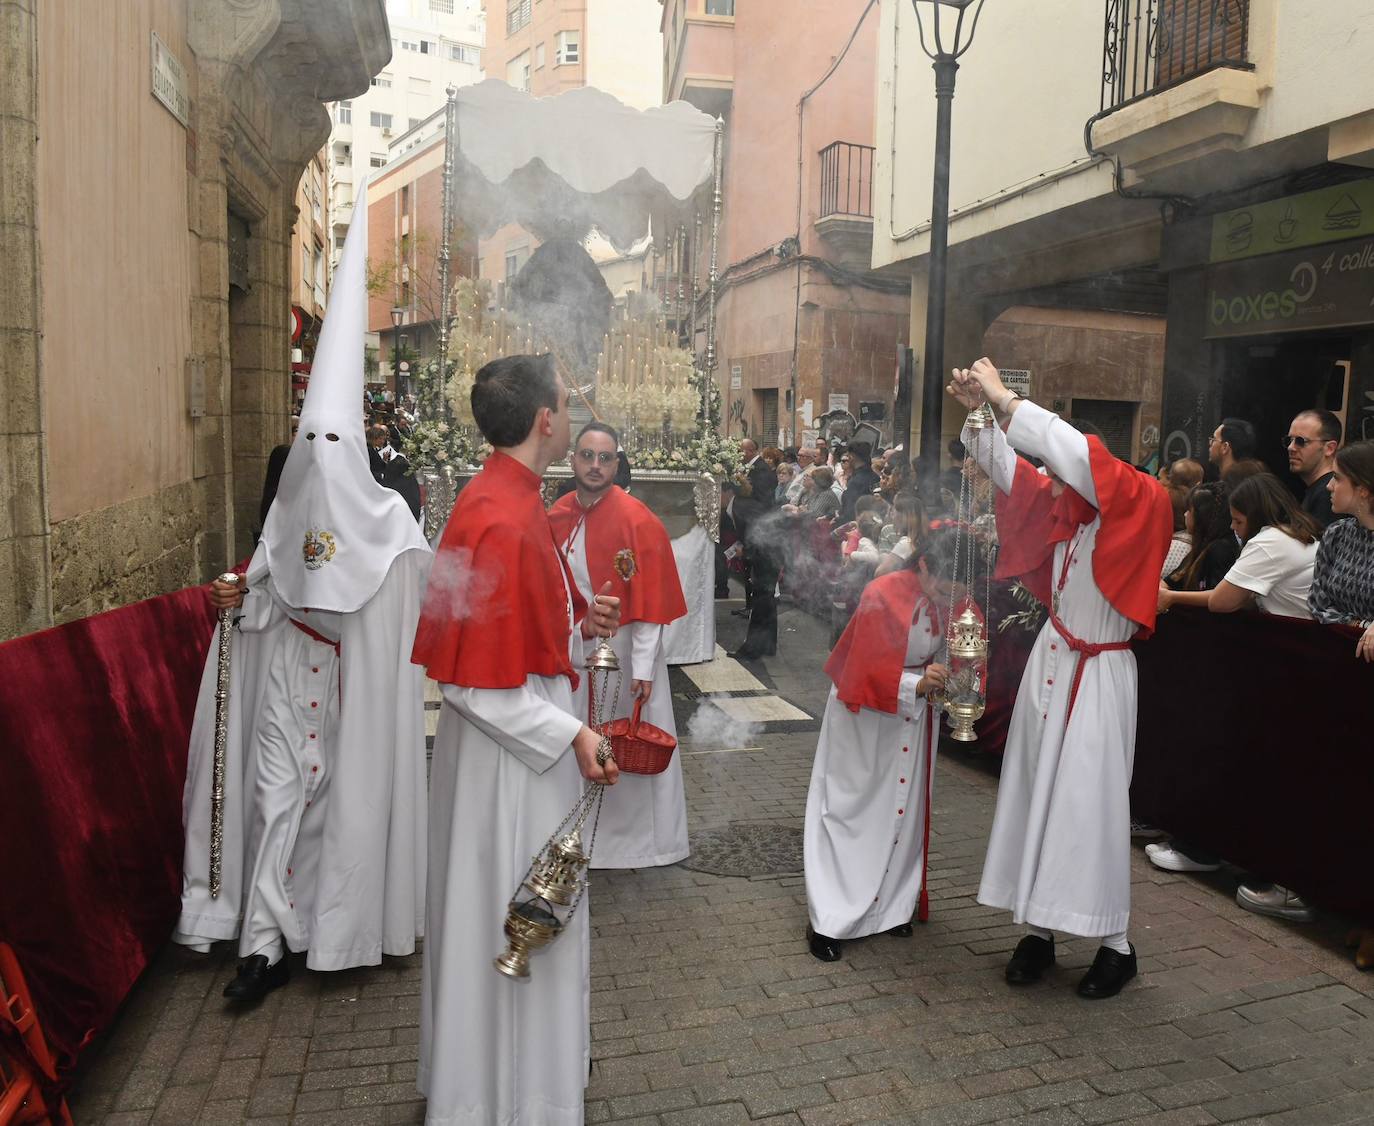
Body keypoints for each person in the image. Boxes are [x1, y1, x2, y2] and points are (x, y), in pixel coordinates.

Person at [174, 184, 431, 1002]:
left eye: (332, 441)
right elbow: (265, 575)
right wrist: (233, 598)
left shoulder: (392, 519)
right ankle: (260, 946)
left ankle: (330, 928)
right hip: (288, 672)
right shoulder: (288, 497)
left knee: (340, 814)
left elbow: (409, 606)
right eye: (308, 441)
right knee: (274, 797)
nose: (319, 454)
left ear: (353, 445)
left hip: (352, 679)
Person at [410, 354, 622, 1126]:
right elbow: (470, 686)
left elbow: (516, 637)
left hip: (517, 751)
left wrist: (571, 631)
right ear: (544, 420)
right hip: (511, 769)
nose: (572, 413)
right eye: (567, 403)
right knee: (522, 920)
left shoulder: (509, 498)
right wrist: (571, 732)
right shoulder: (498, 514)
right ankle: (510, 1103)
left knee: (524, 919)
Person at [949, 358, 1172, 1000]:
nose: (1049, 486)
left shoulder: (1140, 499)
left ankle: (1115, 943)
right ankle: (1040, 930)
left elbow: (1063, 453)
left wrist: (1008, 398)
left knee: (1090, 806)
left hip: (1099, 673)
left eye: (1064, 472)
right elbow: (1013, 473)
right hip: (1055, 663)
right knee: (1034, 795)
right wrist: (982, 412)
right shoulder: (1071, 513)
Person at [803, 527, 966, 962]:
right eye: (944, 586)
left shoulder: (952, 594)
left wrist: (955, 674)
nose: (949, 598)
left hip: (913, 718)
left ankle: (890, 909)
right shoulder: (883, 592)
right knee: (851, 812)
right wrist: (916, 681)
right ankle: (829, 918)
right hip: (866, 716)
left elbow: (957, 647)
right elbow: (860, 668)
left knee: (904, 813)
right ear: (925, 564)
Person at [548, 422, 690, 870]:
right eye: (586, 455)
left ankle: (636, 845)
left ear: (616, 463)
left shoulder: (637, 520)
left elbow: (650, 608)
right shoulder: (558, 513)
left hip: (627, 654)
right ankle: (579, 836)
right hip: (576, 647)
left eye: (604, 457)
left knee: (627, 745)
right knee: (580, 740)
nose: (594, 465)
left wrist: (644, 670)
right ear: (572, 459)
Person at [1158, 473, 1319, 621]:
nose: (1232, 526)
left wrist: (1172, 597)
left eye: (1238, 521)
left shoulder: (1268, 542)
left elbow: (1220, 602)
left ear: (1256, 516)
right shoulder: (1294, 534)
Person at [1309, 440, 1374, 658]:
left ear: (1363, 489)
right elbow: (1318, 602)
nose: (1329, 485)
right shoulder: (1336, 533)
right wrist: (1363, 626)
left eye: (1337, 478)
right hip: (1339, 658)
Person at [720, 479, 781, 659]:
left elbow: (759, 533)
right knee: (766, 600)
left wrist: (745, 551)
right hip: (771, 553)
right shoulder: (740, 505)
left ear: (728, 492)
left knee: (761, 600)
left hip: (768, 554)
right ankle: (767, 645)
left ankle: (752, 649)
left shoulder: (740, 507)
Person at [1164, 482, 1238, 591]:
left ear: (1201, 517)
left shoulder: (1220, 549)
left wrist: (1172, 597)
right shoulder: (1201, 547)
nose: (1185, 514)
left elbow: (1214, 596)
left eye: (1189, 510)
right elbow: (1172, 580)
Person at [1285, 409, 1341, 530]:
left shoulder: (1329, 494)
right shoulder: (1317, 489)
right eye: (1289, 440)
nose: (1291, 447)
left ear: (1329, 448)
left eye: (1301, 441)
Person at [368, 422, 422, 520]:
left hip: (386, 473)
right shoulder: (369, 450)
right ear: (374, 438)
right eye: (381, 439)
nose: (382, 441)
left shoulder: (381, 448)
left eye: (383, 439)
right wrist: (381, 475)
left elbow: (387, 461)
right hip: (377, 477)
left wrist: (386, 460)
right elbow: (370, 468)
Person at [838, 442, 880, 522]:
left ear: (851, 457)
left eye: (848, 456)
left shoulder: (855, 482)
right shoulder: (876, 477)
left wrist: (838, 519)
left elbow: (850, 511)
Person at [740, 437, 778, 507]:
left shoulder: (761, 468)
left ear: (751, 451)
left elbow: (762, 496)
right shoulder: (755, 465)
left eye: (740, 451)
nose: (738, 454)